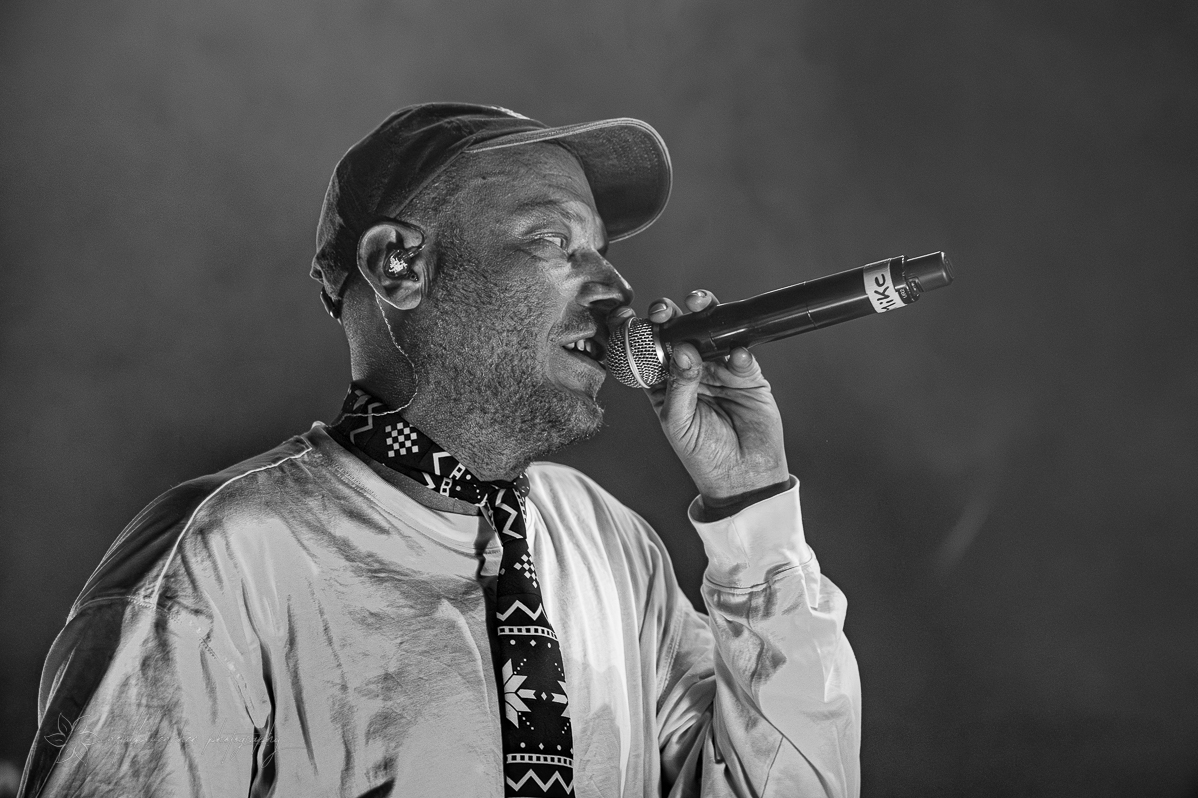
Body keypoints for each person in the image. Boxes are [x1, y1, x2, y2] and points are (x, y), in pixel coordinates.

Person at [18, 103, 861, 797]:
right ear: (398, 265)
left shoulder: (610, 545)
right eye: (555, 242)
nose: (616, 288)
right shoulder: (223, 557)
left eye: (604, 252)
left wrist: (753, 510)